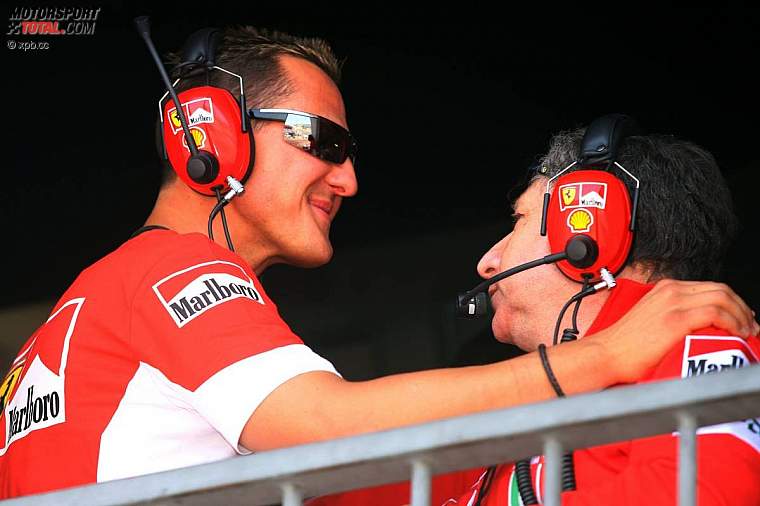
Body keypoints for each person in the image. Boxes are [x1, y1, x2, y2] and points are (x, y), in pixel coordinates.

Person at [0, 27, 756, 500]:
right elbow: (328, 426)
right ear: (210, 134)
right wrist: (604, 357)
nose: (349, 180)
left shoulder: (85, 307)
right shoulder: (177, 273)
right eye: (323, 142)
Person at [311, 127, 760, 506]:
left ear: (591, 231)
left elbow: (705, 493)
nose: (487, 263)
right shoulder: (529, 406)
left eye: (519, 220)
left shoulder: (701, 341)